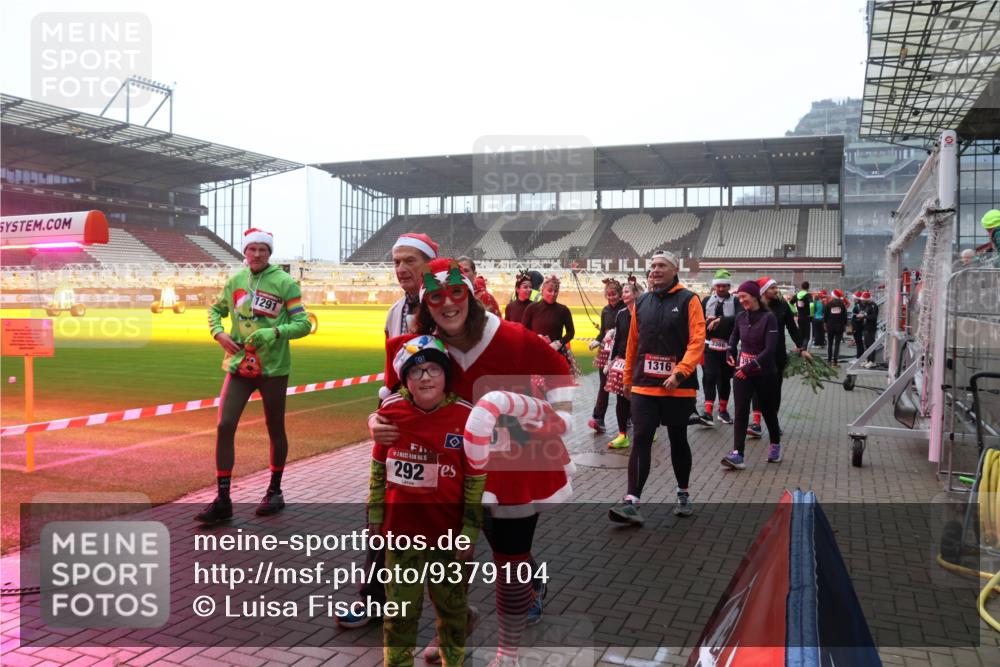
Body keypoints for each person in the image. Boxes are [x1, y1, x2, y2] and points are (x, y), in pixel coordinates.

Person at [374, 258, 575, 666]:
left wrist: (556, 417)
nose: (447, 304)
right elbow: (394, 399)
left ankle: (509, 651)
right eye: (436, 297)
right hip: (449, 469)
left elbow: (560, 371)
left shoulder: (514, 338)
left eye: (455, 293)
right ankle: (454, 624)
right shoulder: (422, 347)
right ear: (425, 303)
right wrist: (375, 422)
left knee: (511, 561)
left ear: (469, 293)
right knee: (447, 562)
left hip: (514, 467)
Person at [372, 335, 485, 667]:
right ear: (405, 378)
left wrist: (470, 530)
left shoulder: (466, 417)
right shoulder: (391, 411)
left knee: (451, 615)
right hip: (401, 536)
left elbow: (476, 479)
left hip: (448, 540)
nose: (425, 377)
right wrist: (376, 512)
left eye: (434, 369)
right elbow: (378, 465)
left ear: (446, 376)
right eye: (416, 371)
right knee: (400, 616)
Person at [197, 228, 311, 524]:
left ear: (269, 252)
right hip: (238, 365)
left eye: (262, 249)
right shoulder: (235, 280)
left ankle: (274, 491)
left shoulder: (285, 283)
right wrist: (218, 333)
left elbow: (302, 324)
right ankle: (223, 499)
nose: (257, 254)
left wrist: (273, 332)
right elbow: (215, 309)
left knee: (275, 428)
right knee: (224, 424)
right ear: (244, 252)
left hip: (273, 369)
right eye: (252, 249)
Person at [607, 250, 705, 526]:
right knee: (640, 438)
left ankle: (683, 493)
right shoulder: (643, 301)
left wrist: (681, 371)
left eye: (662, 266)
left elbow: (697, 341)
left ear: (675, 270)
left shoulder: (689, 299)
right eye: (652, 266)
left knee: (677, 439)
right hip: (644, 386)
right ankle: (631, 502)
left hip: (677, 387)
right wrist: (628, 378)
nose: (655, 270)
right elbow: (632, 344)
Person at [721, 280, 782, 470]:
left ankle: (775, 445)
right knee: (740, 411)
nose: (741, 300)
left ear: (754, 296)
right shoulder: (740, 317)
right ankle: (738, 454)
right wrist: (729, 351)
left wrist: (750, 366)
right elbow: (734, 337)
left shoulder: (768, 318)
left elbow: (770, 349)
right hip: (743, 372)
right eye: (739, 297)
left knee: (767, 411)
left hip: (765, 373)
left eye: (743, 297)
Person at [747, 277, 806, 438]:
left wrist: (801, 347)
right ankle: (756, 423)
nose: (776, 290)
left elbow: (792, 328)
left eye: (776, 287)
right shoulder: (754, 307)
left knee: (774, 390)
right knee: (757, 389)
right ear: (764, 291)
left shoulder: (782, 305)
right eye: (773, 288)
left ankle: (774, 422)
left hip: (777, 356)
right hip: (758, 355)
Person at [698, 269, 741, 426]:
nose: (721, 289)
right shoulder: (707, 300)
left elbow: (739, 318)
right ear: (714, 287)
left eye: (724, 286)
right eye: (718, 286)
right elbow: (698, 320)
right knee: (709, 375)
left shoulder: (735, 301)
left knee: (724, 379)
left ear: (729, 286)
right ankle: (707, 412)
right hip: (709, 345)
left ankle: (723, 411)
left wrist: (720, 320)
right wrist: (705, 320)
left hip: (728, 347)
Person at [605, 279, 644, 449]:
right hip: (622, 360)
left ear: (636, 294)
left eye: (627, 291)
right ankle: (622, 435)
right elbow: (617, 339)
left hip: (640, 361)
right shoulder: (620, 314)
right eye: (624, 292)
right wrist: (611, 361)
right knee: (621, 398)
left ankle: (647, 429)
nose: (623, 294)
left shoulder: (644, 313)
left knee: (640, 399)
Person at [588, 279, 627, 434]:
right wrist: (597, 340)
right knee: (603, 386)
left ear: (619, 294)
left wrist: (615, 333)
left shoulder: (625, 309)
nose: (611, 298)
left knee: (620, 388)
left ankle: (627, 417)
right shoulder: (605, 310)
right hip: (605, 352)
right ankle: (598, 418)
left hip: (619, 353)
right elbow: (602, 331)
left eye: (614, 294)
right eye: (608, 295)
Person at [521, 274, 578, 377]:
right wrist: (537, 338)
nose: (553, 294)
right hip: (536, 352)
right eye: (549, 290)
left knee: (556, 386)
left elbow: (571, 332)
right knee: (536, 387)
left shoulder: (563, 310)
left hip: (556, 353)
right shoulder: (531, 308)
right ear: (542, 290)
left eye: (556, 291)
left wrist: (559, 343)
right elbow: (523, 330)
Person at [386, 233, 438, 338]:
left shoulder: (450, 308)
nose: (400, 270)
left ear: (431, 264)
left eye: (409, 261)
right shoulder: (393, 313)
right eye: (397, 262)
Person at [824, 289, 848, 366]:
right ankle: (835, 361)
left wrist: (825, 325)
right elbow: (845, 317)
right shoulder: (842, 305)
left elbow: (825, 316)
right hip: (839, 327)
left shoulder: (829, 304)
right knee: (837, 344)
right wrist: (844, 325)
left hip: (830, 326)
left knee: (830, 343)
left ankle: (829, 360)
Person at [860, 291, 879, 368]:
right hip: (865, 327)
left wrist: (864, 317)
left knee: (871, 344)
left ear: (867, 299)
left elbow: (874, 317)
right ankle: (868, 360)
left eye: (863, 300)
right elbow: (866, 314)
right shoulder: (866, 306)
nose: (862, 301)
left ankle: (872, 361)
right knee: (866, 344)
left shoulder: (873, 306)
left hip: (871, 328)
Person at [794, 281, 814, 349]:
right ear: (808, 287)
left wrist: (794, 312)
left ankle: (800, 349)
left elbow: (790, 303)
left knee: (801, 334)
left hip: (799, 317)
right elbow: (811, 305)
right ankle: (804, 349)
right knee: (807, 336)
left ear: (801, 287)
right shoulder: (808, 295)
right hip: (806, 317)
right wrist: (811, 315)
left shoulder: (796, 295)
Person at [851, 290, 866, 360]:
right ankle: (859, 356)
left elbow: (859, 316)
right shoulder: (859, 305)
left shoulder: (858, 306)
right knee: (858, 341)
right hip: (857, 325)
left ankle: (859, 357)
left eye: (854, 298)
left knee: (858, 341)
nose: (853, 299)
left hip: (857, 325)